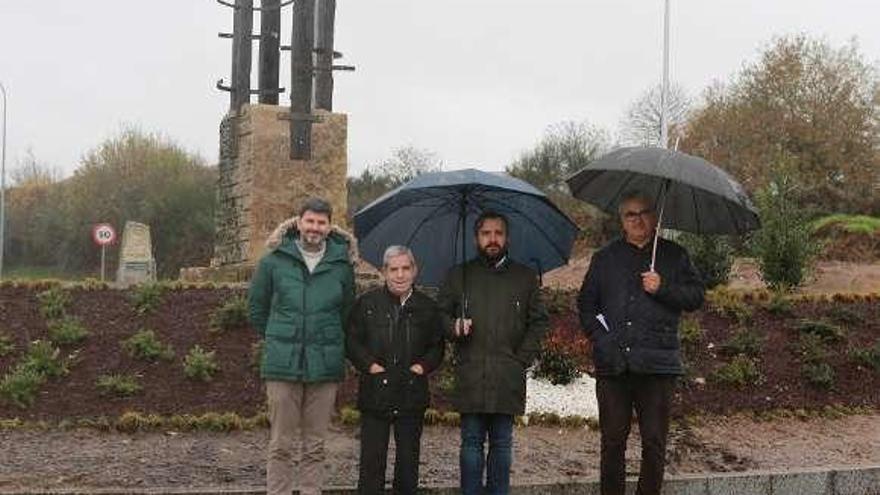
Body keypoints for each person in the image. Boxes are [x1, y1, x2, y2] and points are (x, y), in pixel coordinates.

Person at [577, 191, 705, 495]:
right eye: (630, 214)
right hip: (613, 366)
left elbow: (696, 297)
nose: (638, 219)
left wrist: (663, 287)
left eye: (644, 212)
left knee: (654, 442)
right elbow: (586, 304)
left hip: (657, 367)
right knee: (611, 442)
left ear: (655, 217)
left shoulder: (675, 256)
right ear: (622, 220)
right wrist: (602, 338)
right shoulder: (605, 258)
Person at [248, 197, 356, 495]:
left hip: (324, 368)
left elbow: (347, 312)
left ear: (329, 226)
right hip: (283, 367)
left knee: (315, 446)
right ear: (298, 223)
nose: (315, 228)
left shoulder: (341, 266)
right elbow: (256, 310)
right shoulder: (273, 261)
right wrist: (279, 338)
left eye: (321, 223)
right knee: (280, 444)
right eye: (310, 221)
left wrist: (327, 340)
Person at [438, 210, 549, 495]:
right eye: (486, 233)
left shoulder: (525, 278)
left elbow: (538, 323)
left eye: (498, 233)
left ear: (507, 238)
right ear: (476, 238)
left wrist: (520, 359)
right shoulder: (458, 275)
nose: (492, 239)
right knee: (471, 443)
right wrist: (454, 326)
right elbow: (439, 317)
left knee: (502, 444)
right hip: (471, 371)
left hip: (507, 375)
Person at [346, 245, 445, 494]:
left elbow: (437, 346)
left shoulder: (427, 307)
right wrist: (370, 366)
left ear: (414, 271)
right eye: (394, 269)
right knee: (371, 463)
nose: (400, 275)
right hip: (376, 393)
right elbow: (352, 342)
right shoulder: (366, 304)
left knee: (408, 463)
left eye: (405, 268)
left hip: (412, 393)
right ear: (384, 272)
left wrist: (421, 367)